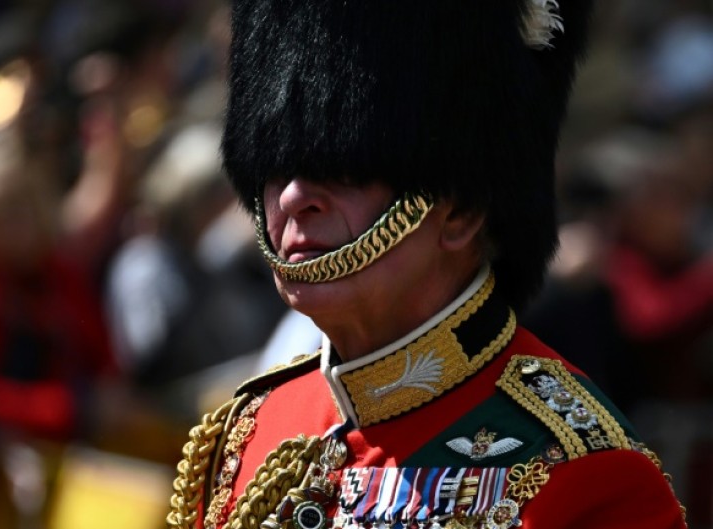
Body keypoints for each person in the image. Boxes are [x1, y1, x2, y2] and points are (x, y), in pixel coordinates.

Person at [165, 2, 688, 529]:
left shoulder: (586, 475)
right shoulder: (253, 427)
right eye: (275, 165)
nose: (296, 196)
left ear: (458, 211)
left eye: (344, 166)